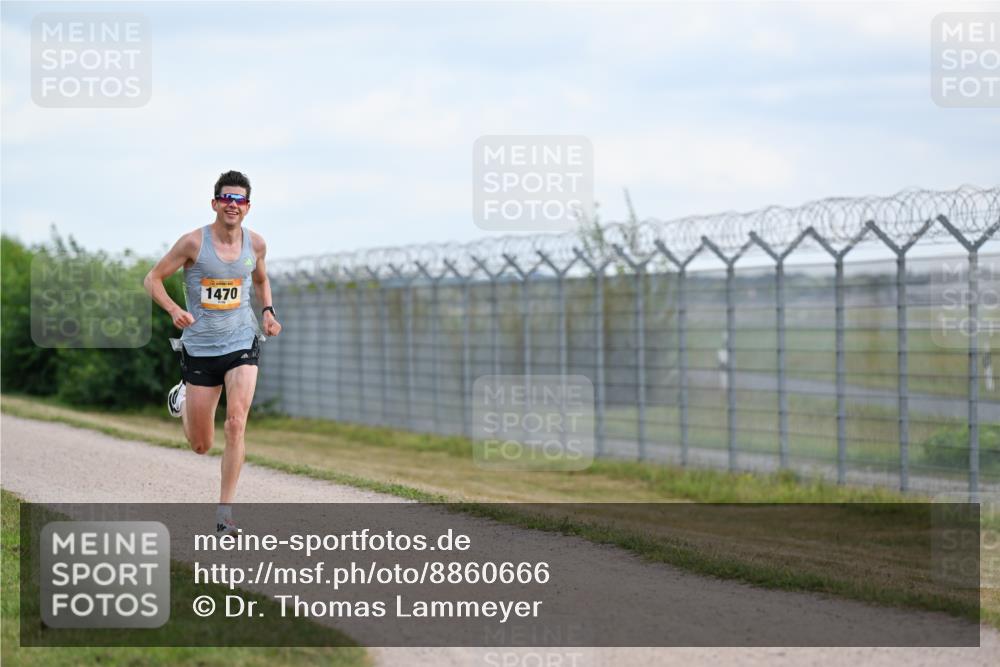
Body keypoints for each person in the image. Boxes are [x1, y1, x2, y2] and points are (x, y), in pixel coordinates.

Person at [143, 170, 282, 534]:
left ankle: (225, 514)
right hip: (201, 349)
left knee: (236, 423)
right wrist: (174, 309)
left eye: (239, 200)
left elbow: (262, 280)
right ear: (215, 203)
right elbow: (152, 279)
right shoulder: (193, 243)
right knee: (201, 445)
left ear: (248, 207)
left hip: (241, 342)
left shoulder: (257, 245)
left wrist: (268, 311)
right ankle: (183, 396)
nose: (232, 205)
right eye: (226, 198)